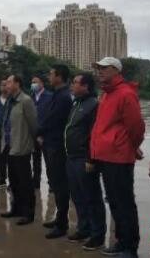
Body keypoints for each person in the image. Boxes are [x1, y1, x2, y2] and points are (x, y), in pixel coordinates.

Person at [90, 57, 144, 258]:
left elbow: (136, 127)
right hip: (107, 156)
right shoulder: (106, 94)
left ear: (116, 70)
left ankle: (130, 247)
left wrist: (132, 147)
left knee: (124, 203)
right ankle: (122, 242)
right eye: (98, 68)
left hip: (119, 157)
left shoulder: (125, 93)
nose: (100, 71)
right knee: (114, 202)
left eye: (104, 68)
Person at [65, 73, 106, 250]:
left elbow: (94, 134)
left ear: (86, 86)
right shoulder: (77, 103)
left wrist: (91, 158)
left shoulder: (94, 105)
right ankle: (84, 228)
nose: (72, 85)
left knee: (92, 197)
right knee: (78, 196)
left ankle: (98, 235)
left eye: (75, 82)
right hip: (72, 157)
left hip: (84, 158)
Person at [38, 65, 73, 239]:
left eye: (51, 74)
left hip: (57, 146)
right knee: (57, 185)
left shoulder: (64, 97)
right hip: (51, 144)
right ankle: (60, 219)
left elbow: (52, 120)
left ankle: (62, 223)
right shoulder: (57, 95)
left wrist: (38, 131)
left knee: (60, 185)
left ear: (59, 77)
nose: (49, 77)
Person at [0, 75, 38, 226]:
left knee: (25, 182)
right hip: (9, 146)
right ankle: (16, 208)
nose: (6, 85)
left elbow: (33, 124)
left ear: (17, 84)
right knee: (14, 181)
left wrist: (33, 143)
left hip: (21, 146)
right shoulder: (10, 101)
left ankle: (28, 213)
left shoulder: (26, 101)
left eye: (9, 82)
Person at [30, 75, 51, 189]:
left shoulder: (49, 97)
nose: (33, 84)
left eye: (35, 82)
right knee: (35, 160)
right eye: (32, 82)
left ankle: (51, 182)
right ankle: (36, 181)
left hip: (46, 134)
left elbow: (50, 116)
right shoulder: (31, 97)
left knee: (49, 160)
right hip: (34, 134)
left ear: (42, 83)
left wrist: (42, 134)